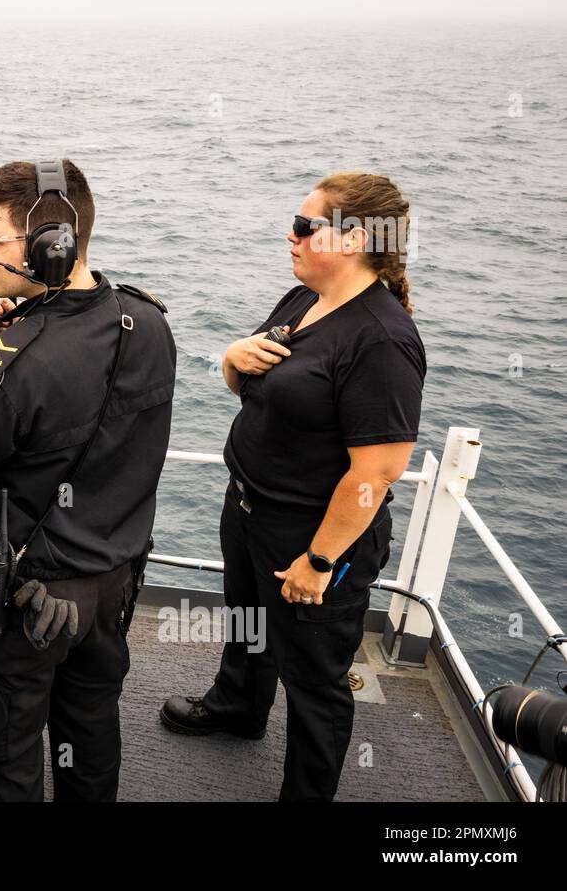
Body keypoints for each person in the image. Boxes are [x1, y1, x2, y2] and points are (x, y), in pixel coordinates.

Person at [0, 159, 176, 801]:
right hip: (112, 585)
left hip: (24, 602)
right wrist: (22, 320)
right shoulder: (149, 321)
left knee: (4, 744)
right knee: (91, 726)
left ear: (54, 245)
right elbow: (78, 385)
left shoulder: (11, 364)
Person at [160, 172, 424, 801]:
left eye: (307, 226)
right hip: (251, 505)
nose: (293, 234)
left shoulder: (381, 340)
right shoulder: (302, 300)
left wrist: (320, 559)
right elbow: (255, 386)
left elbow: (376, 473)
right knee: (249, 622)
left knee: (315, 679)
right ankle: (238, 707)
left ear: (354, 239)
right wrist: (231, 359)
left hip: (311, 533)